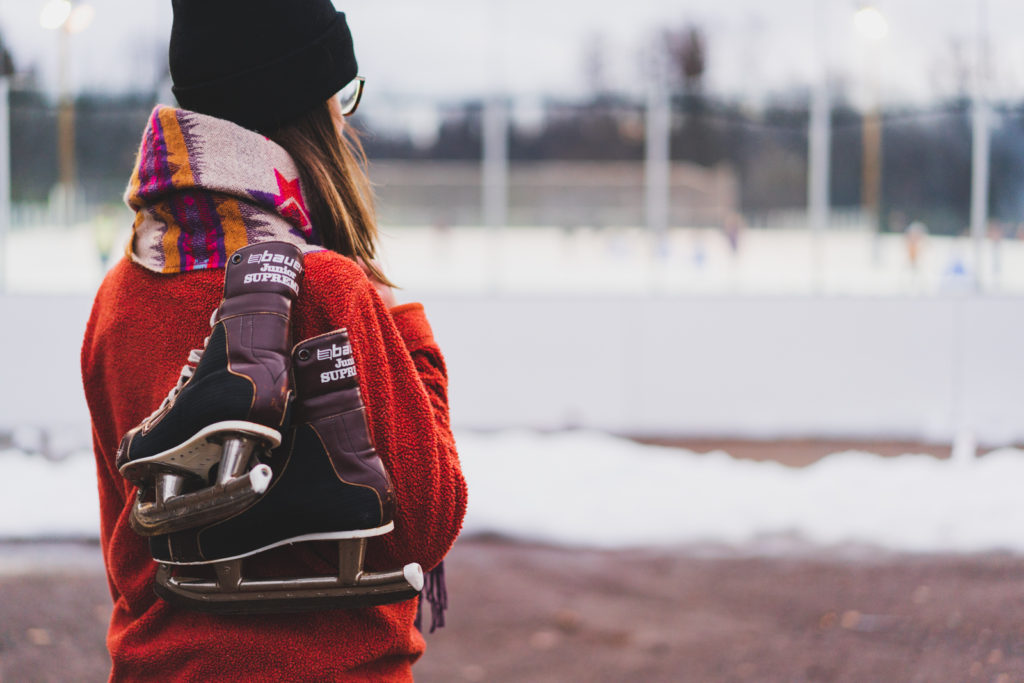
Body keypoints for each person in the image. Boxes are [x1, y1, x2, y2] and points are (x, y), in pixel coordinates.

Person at [79, 1, 467, 680]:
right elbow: (427, 519)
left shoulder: (118, 298)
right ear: (307, 111)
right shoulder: (330, 288)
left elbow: (128, 550)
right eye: (339, 95)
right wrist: (407, 328)